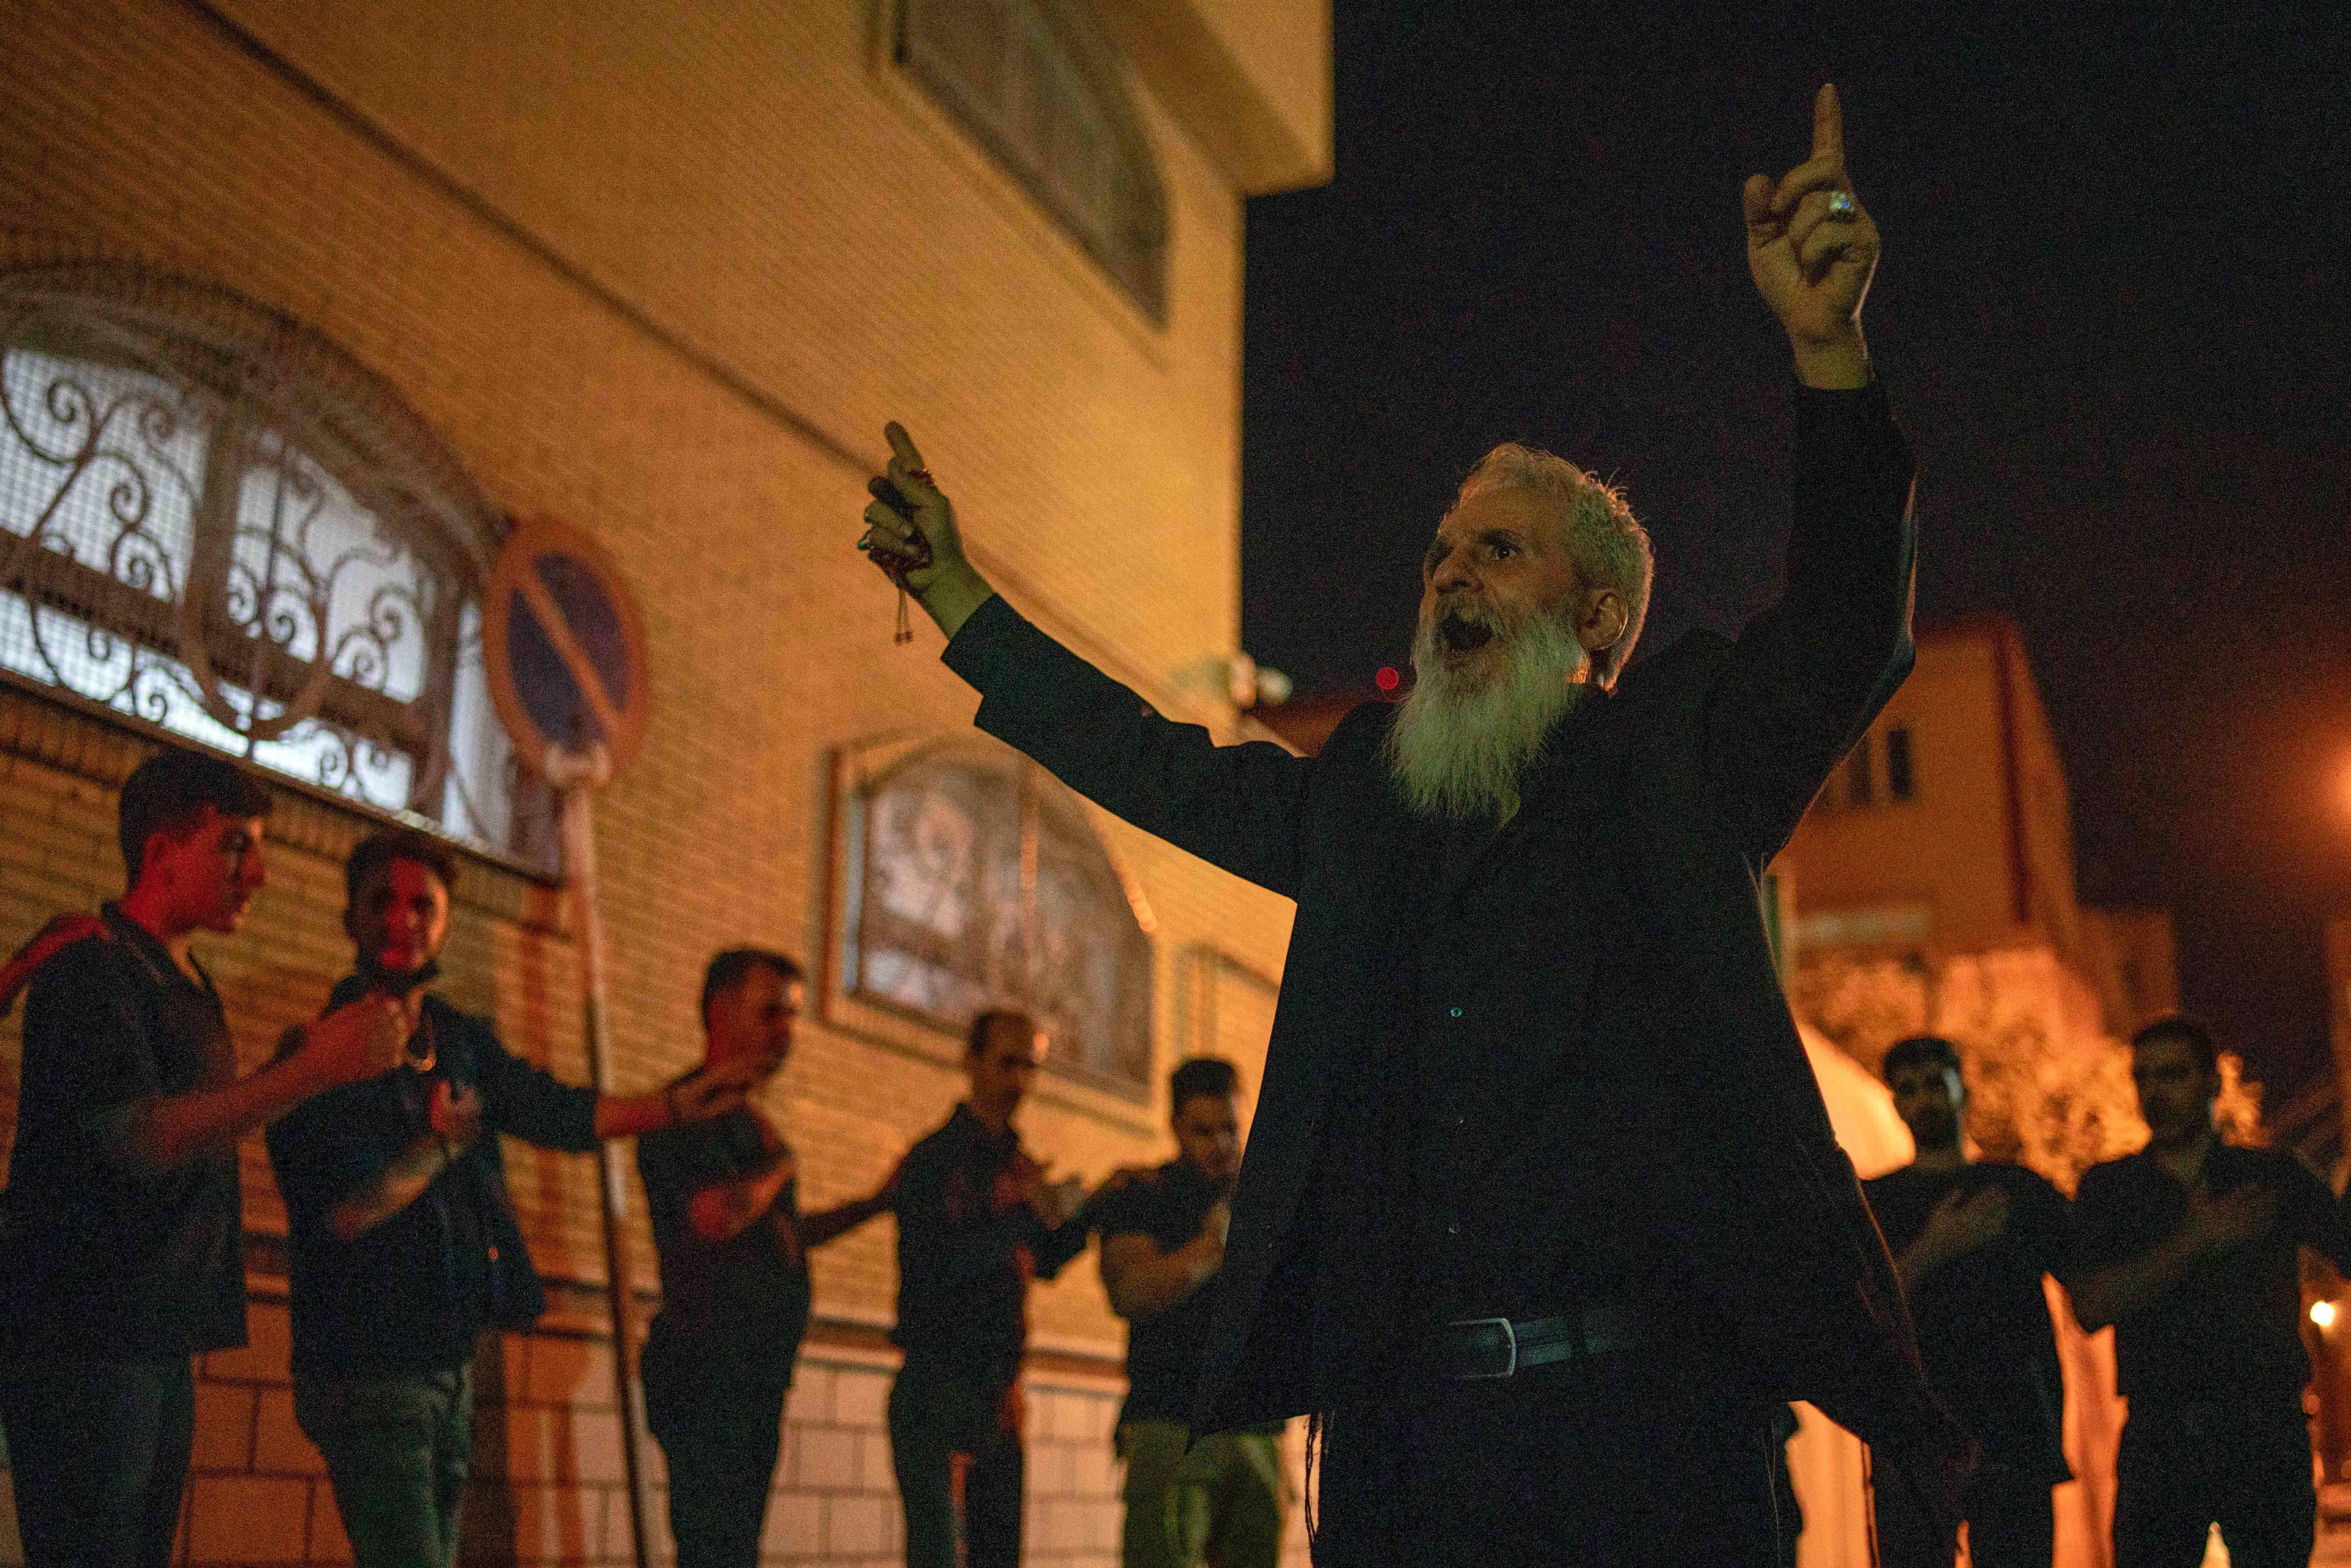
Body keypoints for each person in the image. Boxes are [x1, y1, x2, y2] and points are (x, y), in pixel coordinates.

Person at [858, 83, 1965, 1565]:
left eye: (1494, 551)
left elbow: (1841, 625)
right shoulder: (1367, 797)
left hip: (1649, 1455)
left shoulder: (1674, 761)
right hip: (1406, 1460)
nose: (1447, 573)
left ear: (1592, 617)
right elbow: (1161, 765)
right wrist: (959, 601)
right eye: (1440, 549)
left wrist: (1827, 356)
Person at [263, 828, 763, 1568]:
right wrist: (438, 1146)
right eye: (382, 901)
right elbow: (338, 1212)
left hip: (449, 1365)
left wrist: (676, 1102)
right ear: (350, 916)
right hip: (369, 1371)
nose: (401, 920)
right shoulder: (318, 1046)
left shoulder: (457, 1039)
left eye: (421, 905)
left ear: (444, 923)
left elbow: (558, 1112)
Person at [0, 748, 407, 1568]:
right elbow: (140, 1137)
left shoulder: (186, 980)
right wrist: (310, 1069)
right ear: (160, 851)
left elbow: (196, 1122)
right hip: (86, 1339)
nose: (258, 873)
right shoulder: (94, 970)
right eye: (234, 846)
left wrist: (292, 1069)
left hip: (157, 1336)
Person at [635, 948, 898, 1568]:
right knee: (714, 1549)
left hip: (757, 1376)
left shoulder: (752, 1126)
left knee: (737, 1549)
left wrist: (873, 1203)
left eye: (795, 1016)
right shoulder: (683, 1114)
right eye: (771, 1012)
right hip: (707, 1378)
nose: (787, 1032)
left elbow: (779, 1236)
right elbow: (716, 1215)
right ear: (719, 1013)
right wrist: (780, 1167)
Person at [2069, 1015, 2351, 1568]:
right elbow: (2091, 1305)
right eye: (2144, 1078)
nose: (2155, 1092)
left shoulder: (2270, 1175)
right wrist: (2197, 1239)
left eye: (2172, 1075)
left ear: (2210, 1083)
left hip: (2264, 1426)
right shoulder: (2112, 1189)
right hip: (2162, 1429)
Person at [887, 1008, 1101, 1568]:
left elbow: (1043, 1260)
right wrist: (1028, 1217)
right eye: (1007, 1063)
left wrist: (1090, 1212)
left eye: (1029, 1067)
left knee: (998, 1556)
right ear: (971, 1061)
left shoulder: (1018, 1162)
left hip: (996, 1391)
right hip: (936, 1380)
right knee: (937, 1552)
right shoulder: (935, 1160)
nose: (1019, 1082)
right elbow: (937, 1267)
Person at [1864, 1035, 2071, 1568]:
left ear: (1963, 1090)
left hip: (2014, 1435)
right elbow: (1856, 1316)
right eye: (1908, 1088)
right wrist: (1938, 1246)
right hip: (1912, 1438)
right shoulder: (1873, 1203)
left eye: (1935, 1082)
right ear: (1896, 1104)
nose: (1924, 1099)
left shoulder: (2015, 1189)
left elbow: (2093, 1290)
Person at [1095, 1057, 1287, 1568]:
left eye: (1230, 1127)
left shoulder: (1268, 1200)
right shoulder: (1144, 1195)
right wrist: (1212, 1248)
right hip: (1172, 1420)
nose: (1221, 1144)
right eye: (1203, 1130)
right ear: (1176, 1125)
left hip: (1257, 1427)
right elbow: (1129, 1292)